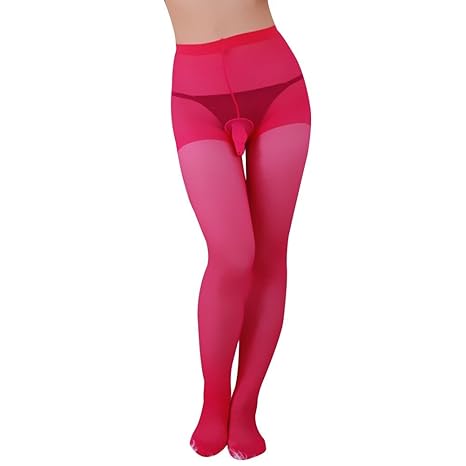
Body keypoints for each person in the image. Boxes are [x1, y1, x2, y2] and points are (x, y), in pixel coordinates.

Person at [164, 0, 311, 460]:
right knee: (232, 254)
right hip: (196, 97)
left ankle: (245, 404)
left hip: (278, 86)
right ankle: (214, 400)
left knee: (269, 254)